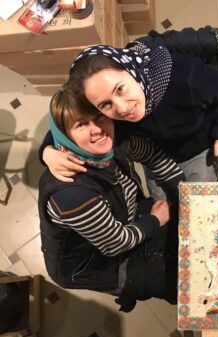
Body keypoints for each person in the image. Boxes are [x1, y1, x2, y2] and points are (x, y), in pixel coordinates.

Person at [38, 86, 184, 312]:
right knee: (174, 282)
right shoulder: (72, 194)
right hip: (94, 261)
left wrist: (182, 191)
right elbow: (115, 244)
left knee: (178, 236)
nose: (97, 129)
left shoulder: (117, 140)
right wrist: (154, 220)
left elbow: (154, 156)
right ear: (65, 137)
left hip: (122, 214)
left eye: (99, 117)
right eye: (81, 124)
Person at [40, 40, 218, 199]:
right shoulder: (104, 113)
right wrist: (47, 151)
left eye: (120, 89)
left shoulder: (185, 78)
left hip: (199, 150)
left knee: (200, 203)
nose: (122, 109)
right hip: (155, 156)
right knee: (164, 203)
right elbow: (67, 126)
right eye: (105, 104)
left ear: (130, 69)